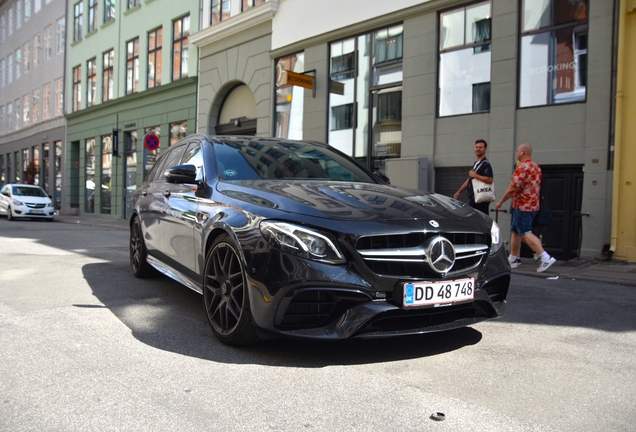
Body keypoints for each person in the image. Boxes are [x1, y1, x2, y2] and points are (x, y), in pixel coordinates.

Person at [495, 143, 556, 273]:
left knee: (525, 233)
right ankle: (513, 258)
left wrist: (500, 201)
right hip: (533, 205)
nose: (517, 153)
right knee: (515, 232)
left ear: (522, 152)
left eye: (518, 151)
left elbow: (513, 187)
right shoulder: (536, 166)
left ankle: (545, 257)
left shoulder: (522, 167)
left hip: (522, 206)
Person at [454, 139, 493, 214]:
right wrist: (459, 191)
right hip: (474, 198)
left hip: (480, 198)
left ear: (485, 149)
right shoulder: (476, 163)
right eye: (477, 147)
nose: (478, 149)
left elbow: (489, 179)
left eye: (480, 147)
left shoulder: (485, 164)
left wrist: (475, 175)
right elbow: (470, 179)